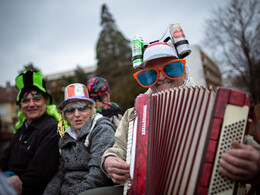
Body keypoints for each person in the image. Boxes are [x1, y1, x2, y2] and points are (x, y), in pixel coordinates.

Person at [84, 41, 260, 194]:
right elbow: (117, 149)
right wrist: (109, 161)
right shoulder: (133, 114)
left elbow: (248, 147)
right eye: (152, 74)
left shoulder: (216, 105)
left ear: (183, 70)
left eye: (170, 68)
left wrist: (256, 162)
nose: (161, 77)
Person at [43, 83, 115, 195]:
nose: (76, 114)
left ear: (91, 110)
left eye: (82, 108)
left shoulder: (101, 129)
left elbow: (99, 175)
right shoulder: (65, 137)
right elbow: (61, 173)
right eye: (70, 110)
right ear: (64, 115)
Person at [0, 70, 60, 195]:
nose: (31, 104)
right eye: (26, 100)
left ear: (45, 101)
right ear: (20, 105)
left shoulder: (51, 129)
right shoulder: (22, 129)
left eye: (37, 99)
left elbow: (38, 176)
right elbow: (4, 159)